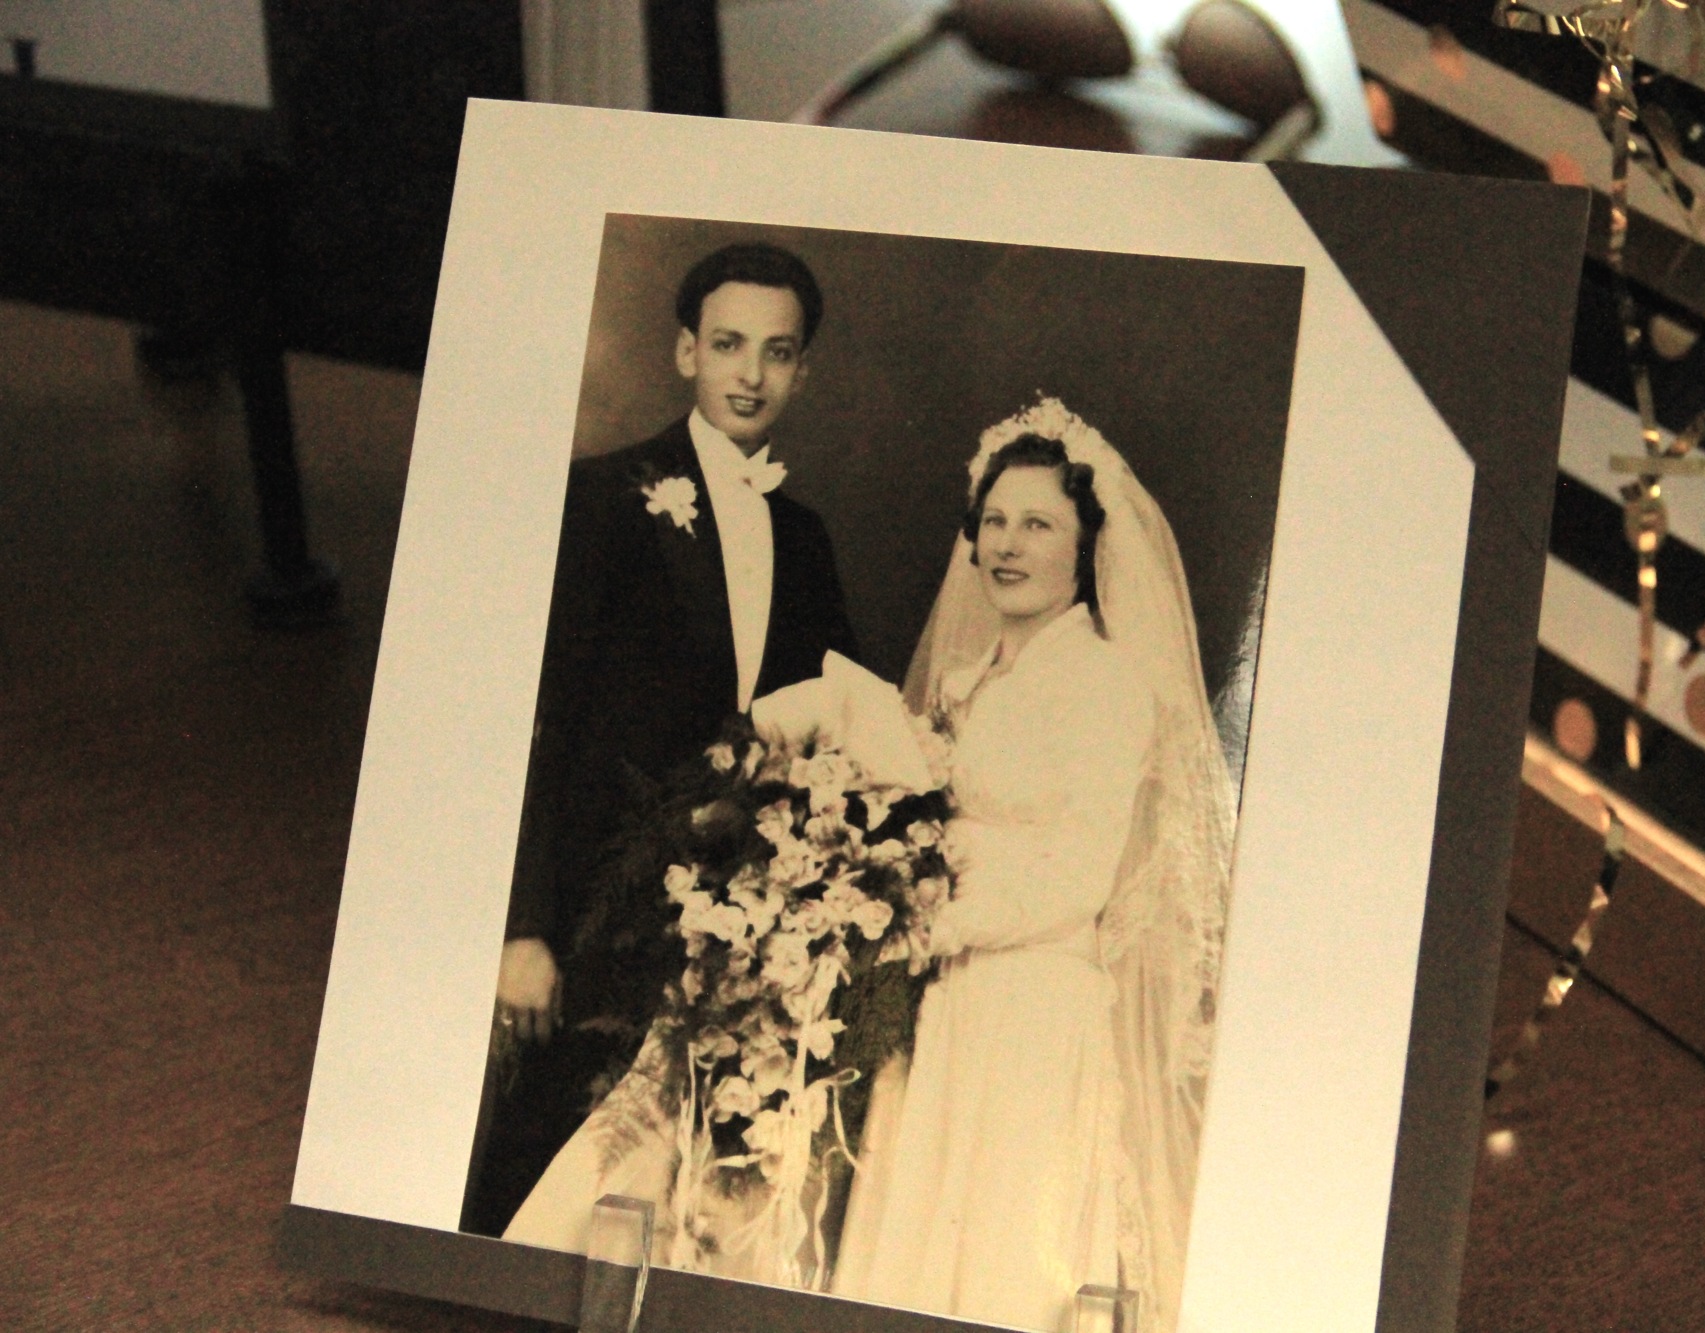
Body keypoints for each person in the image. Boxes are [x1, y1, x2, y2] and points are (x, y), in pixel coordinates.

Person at [463, 241, 859, 1235]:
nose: (750, 374)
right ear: (685, 352)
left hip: (735, 924)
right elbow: (539, 714)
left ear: (801, 369)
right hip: (592, 909)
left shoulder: (802, 537)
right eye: (727, 344)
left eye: (776, 351)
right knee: (541, 1156)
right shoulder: (603, 495)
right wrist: (521, 925)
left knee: (674, 1181)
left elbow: (840, 722)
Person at [832, 398, 1237, 1333]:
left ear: (1085, 546)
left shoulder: (1105, 683)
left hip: (1032, 1013)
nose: (1008, 545)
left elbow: (1077, 876)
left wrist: (929, 923)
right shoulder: (968, 682)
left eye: (1040, 524)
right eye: (996, 521)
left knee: (1004, 1266)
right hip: (945, 1008)